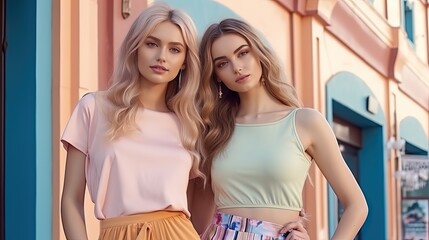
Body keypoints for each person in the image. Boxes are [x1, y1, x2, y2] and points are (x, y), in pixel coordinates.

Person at [195, 18, 368, 240]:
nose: (236, 67)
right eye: (222, 63)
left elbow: (356, 205)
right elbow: (200, 213)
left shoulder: (305, 122)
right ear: (216, 76)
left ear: (259, 53)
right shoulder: (213, 129)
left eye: (243, 53)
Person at [60, 2, 204, 239]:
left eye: (175, 49)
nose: (161, 57)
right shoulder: (94, 108)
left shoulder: (190, 123)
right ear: (135, 47)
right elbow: (71, 200)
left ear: (186, 61)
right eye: (152, 44)